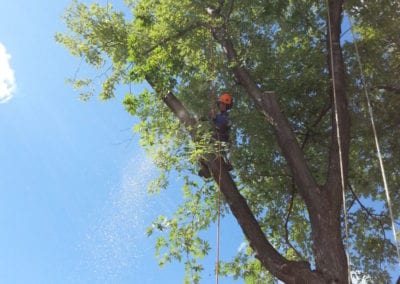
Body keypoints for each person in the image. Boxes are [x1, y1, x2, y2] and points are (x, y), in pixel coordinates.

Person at [198, 93, 233, 178]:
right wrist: (204, 118)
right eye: (220, 104)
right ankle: (204, 166)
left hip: (221, 139)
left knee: (209, 142)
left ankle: (224, 162)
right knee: (200, 144)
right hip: (216, 139)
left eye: (222, 104)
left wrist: (214, 118)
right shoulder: (218, 115)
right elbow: (210, 121)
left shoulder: (227, 117)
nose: (220, 106)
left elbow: (221, 125)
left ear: (226, 105)